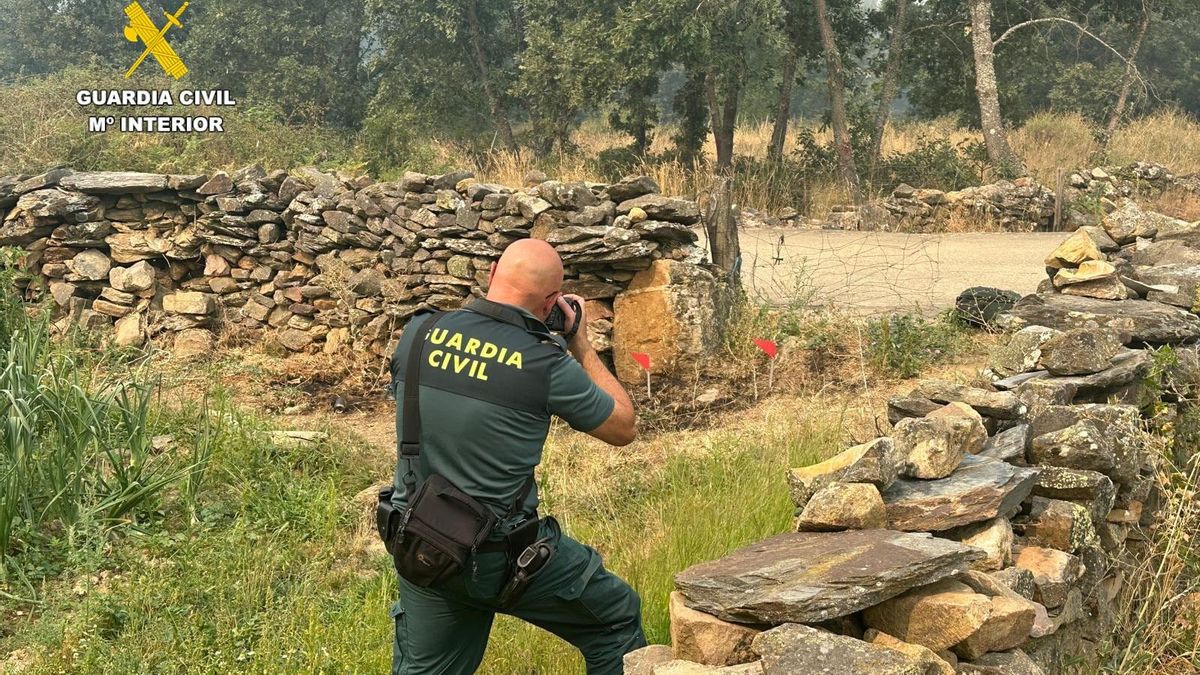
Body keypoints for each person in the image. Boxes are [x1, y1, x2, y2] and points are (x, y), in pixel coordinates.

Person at [386, 238, 646, 674]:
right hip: (499, 558)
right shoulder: (545, 363)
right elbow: (624, 427)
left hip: (422, 543)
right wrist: (580, 344)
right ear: (551, 304)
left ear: (492, 274)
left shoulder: (419, 331)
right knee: (615, 618)